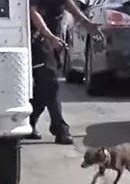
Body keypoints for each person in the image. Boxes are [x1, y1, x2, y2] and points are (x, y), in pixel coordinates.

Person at [27, 0, 100, 144]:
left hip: (52, 40)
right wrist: (50, 36)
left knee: (45, 87)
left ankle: (29, 122)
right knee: (50, 81)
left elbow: (67, 4)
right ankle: (60, 128)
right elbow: (33, 12)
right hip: (36, 38)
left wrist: (86, 24)